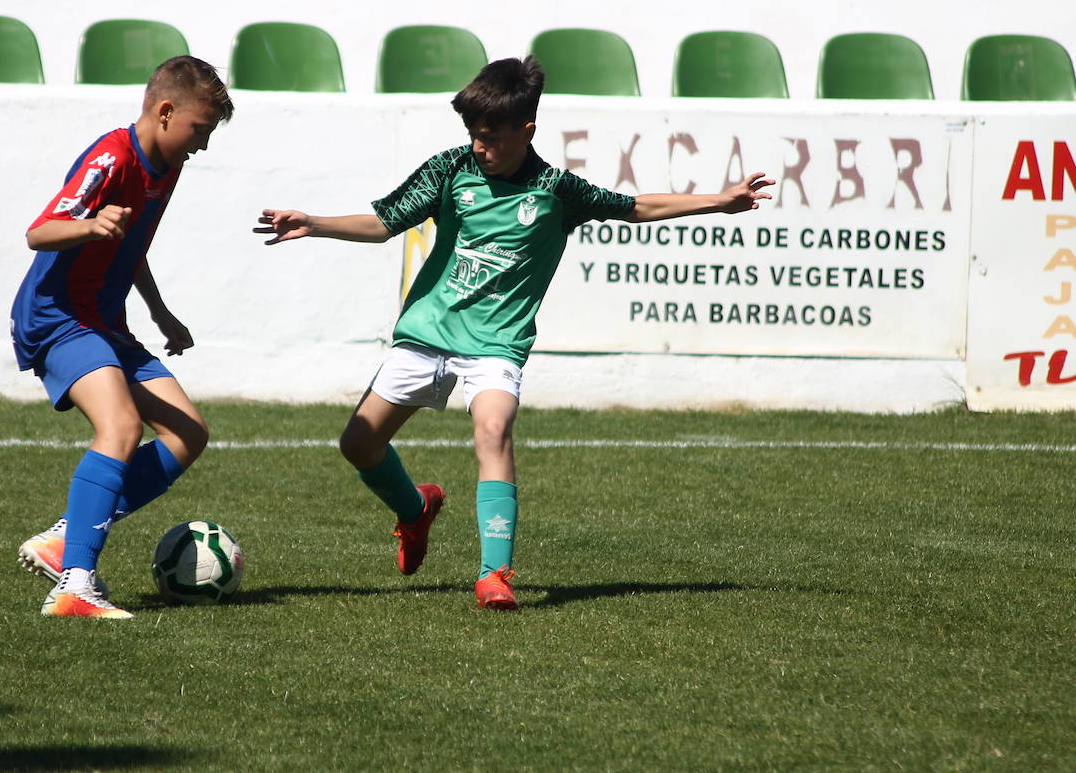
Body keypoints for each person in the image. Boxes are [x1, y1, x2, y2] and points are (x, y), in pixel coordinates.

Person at [255, 56, 772, 610]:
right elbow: (384, 223)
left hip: (496, 346)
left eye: (491, 137)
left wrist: (720, 201)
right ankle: (415, 509)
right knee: (358, 444)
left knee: (493, 431)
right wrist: (314, 223)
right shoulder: (450, 169)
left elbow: (636, 205)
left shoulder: (556, 189)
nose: (480, 147)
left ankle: (494, 574)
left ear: (527, 130)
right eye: (474, 136)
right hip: (428, 331)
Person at [10, 55, 234, 619]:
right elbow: (40, 232)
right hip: (58, 316)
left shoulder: (168, 164)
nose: (202, 145)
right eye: (199, 130)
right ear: (165, 112)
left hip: (104, 321)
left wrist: (160, 314)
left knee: (188, 433)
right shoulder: (110, 158)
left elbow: (131, 247)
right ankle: (74, 584)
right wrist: (88, 224)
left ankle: (68, 538)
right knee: (122, 427)